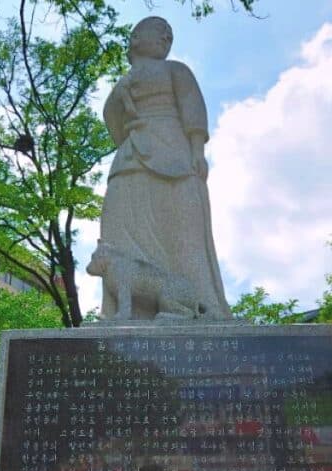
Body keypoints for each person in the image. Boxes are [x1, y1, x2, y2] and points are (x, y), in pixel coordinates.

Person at [98, 16, 231, 320]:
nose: (166, 37)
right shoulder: (122, 85)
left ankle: (200, 305)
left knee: (184, 231)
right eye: (159, 31)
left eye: (169, 35)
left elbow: (192, 107)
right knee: (119, 229)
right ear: (135, 38)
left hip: (175, 156)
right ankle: (125, 308)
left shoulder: (176, 71)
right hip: (131, 158)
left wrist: (197, 149)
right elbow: (113, 122)